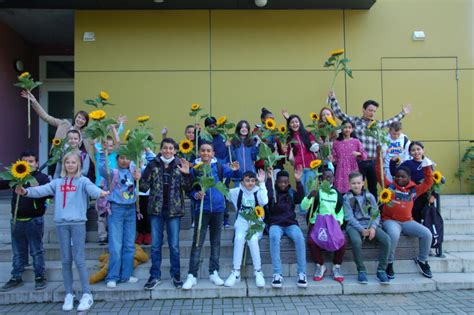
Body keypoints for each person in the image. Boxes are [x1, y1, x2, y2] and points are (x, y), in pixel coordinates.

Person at [15, 152, 108, 312]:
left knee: (79, 259)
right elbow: (41, 190)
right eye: (67, 162)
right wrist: (27, 192)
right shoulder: (57, 182)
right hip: (61, 223)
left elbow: (92, 189)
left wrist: (101, 193)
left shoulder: (83, 181)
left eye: (73, 162)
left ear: (78, 164)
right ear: (64, 165)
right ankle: (69, 293)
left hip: (78, 223)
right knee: (65, 260)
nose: (70, 165)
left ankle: (87, 294)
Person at [327, 90, 412, 198]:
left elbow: (389, 122)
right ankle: (359, 208)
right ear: (363, 109)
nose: (372, 113)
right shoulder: (355, 121)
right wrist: (333, 99)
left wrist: (402, 113)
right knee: (358, 187)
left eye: (374, 111)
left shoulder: (376, 124)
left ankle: (374, 210)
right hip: (359, 161)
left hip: (373, 161)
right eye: (370, 110)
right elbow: (339, 114)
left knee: (373, 187)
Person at [182, 141, 240, 290]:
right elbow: (189, 189)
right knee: (197, 243)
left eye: (209, 151)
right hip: (202, 210)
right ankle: (192, 275)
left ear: (213, 153)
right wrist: (195, 194)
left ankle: (213, 272)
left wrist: (234, 169)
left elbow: (233, 170)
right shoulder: (195, 169)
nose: (206, 153)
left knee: (215, 242)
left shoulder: (219, 167)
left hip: (219, 210)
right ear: (199, 153)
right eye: (203, 151)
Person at [140, 138, 192, 290]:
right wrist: (138, 177)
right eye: (165, 148)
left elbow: (188, 189)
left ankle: (175, 275)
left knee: (174, 246)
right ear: (161, 149)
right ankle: (154, 276)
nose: (168, 151)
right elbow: (143, 187)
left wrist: (187, 174)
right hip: (156, 211)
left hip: (174, 211)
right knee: (155, 245)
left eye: (171, 148)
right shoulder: (153, 165)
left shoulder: (180, 165)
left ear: (175, 151)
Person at [377, 149, 434, 279]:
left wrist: (426, 166)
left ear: (409, 178)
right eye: (397, 176)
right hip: (390, 220)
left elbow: (428, 182)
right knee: (394, 234)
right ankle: (389, 263)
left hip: (408, 221)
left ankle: (422, 260)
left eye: (403, 177)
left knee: (427, 234)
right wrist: (379, 153)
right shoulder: (389, 186)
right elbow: (378, 171)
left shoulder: (414, 189)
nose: (399, 179)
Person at [0, 151, 49, 291]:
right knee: (18, 251)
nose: (28, 164)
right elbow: (3, 184)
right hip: (17, 219)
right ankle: (16, 276)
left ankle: (39, 276)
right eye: (25, 161)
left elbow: (50, 192)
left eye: (31, 161)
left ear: (37, 163)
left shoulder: (42, 178)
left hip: (34, 219)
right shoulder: (15, 176)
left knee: (36, 250)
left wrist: (36, 189)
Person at [99, 152, 141, 288]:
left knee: (129, 245)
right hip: (116, 209)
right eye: (121, 158)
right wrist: (102, 153)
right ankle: (112, 276)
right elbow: (102, 169)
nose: (124, 160)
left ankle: (126, 275)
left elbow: (147, 163)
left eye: (127, 158)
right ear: (117, 159)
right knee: (116, 246)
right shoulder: (113, 172)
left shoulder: (133, 172)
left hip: (130, 209)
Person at [343, 172, 391, 285]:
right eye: (353, 183)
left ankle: (381, 270)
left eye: (359, 183)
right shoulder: (346, 198)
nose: (356, 185)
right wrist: (361, 229)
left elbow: (376, 214)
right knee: (356, 241)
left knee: (386, 240)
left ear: (363, 183)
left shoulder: (370, 196)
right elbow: (349, 217)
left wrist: (373, 228)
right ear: (349, 184)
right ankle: (361, 270)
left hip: (370, 225)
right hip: (354, 226)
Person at [224, 170, 268, 288]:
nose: (250, 183)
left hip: (256, 223)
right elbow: (223, 192)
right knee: (239, 238)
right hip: (242, 222)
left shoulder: (259, 191)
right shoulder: (237, 192)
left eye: (253, 181)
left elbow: (264, 201)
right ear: (242, 182)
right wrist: (226, 177)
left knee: (252, 239)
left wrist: (262, 183)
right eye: (247, 180)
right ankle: (236, 272)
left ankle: (258, 271)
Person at [265, 167, 307, 288]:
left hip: (290, 224)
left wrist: (298, 181)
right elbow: (266, 196)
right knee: (273, 237)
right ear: (276, 182)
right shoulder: (273, 191)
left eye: (285, 182)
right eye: (280, 182)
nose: (283, 184)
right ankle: (277, 273)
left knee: (299, 238)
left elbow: (300, 199)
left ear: (288, 182)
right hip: (275, 224)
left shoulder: (291, 192)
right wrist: (269, 179)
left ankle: (301, 273)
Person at [300, 168, 345, 282]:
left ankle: (336, 266)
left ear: (333, 179)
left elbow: (340, 212)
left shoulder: (337, 194)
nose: (328, 179)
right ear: (320, 179)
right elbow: (304, 207)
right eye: (325, 177)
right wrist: (310, 196)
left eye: (330, 177)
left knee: (342, 241)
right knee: (311, 241)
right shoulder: (316, 192)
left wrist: (339, 221)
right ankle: (320, 266)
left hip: (332, 225)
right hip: (317, 223)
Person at [20, 90, 91, 154]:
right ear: (75, 117)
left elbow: (89, 149)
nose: (80, 120)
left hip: (75, 161)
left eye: (83, 119)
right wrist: (34, 101)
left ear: (86, 122)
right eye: (79, 117)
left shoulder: (85, 134)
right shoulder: (64, 124)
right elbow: (46, 117)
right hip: (59, 157)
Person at [390, 141, 435, 223]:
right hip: (413, 194)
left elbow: (434, 181)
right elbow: (395, 173)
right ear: (410, 153)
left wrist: (434, 195)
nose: (416, 152)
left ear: (423, 150)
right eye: (413, 150)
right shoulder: (407, 163)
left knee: (427, 218)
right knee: (415, 214)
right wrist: (393, 162)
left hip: (426, 194)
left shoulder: (428, 163)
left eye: (418, 149)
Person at [203, 117, 232, 228]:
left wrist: (228, 146)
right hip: (211, 169)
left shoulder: (223, 136)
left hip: (222, 169)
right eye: (210, 126)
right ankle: (211, 220)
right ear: (207, 128)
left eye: (214, 125)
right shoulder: (206, 138)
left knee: (224, 193)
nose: (213, 127)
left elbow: (229, 154)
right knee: (211, 194)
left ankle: (225, 219)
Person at [284, 114, 319, 194]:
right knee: (301, 192)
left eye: (296, 121)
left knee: (309, 192)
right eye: (292, 122)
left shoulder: (308, 134)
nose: (295, 124)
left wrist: (316, 146)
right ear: (289, 125)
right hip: (299, 169)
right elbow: (289, 154)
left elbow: (315, 147)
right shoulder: (289, 138)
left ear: (300, 123)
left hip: (311, 167)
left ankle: (309, 207)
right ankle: (301, 207)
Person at [331, 121, 367, 193]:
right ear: (341, 129)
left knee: (354, 188)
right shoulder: (336, 143)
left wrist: (359, 154)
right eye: (345, 127)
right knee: (340, 191)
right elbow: (335, 158)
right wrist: (332, 159)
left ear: (352, 129)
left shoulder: (356, 142)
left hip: (352, 167)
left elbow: (365, 155)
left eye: (349, 128)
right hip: (341, 169)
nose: (347, 129)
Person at [254, 108, 285, 178]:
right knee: (265, 184)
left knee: (277, 182)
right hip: (263, 163)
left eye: (273, 119)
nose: (272, 120)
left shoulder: (275, 132)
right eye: (270, 118)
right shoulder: (256, 131)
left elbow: (281, 146)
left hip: (275, 162)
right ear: (263, 119)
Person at [229, 120, 259, 184]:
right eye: (242, 127)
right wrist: (229, 147)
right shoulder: (233, 142)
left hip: (250, 175)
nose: (244, 129)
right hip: (238, 175)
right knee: (238, 193)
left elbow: (254, 157)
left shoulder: (252, 142)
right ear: (238, 129)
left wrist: (257, 145)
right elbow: (232, 158)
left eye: (246, 127)